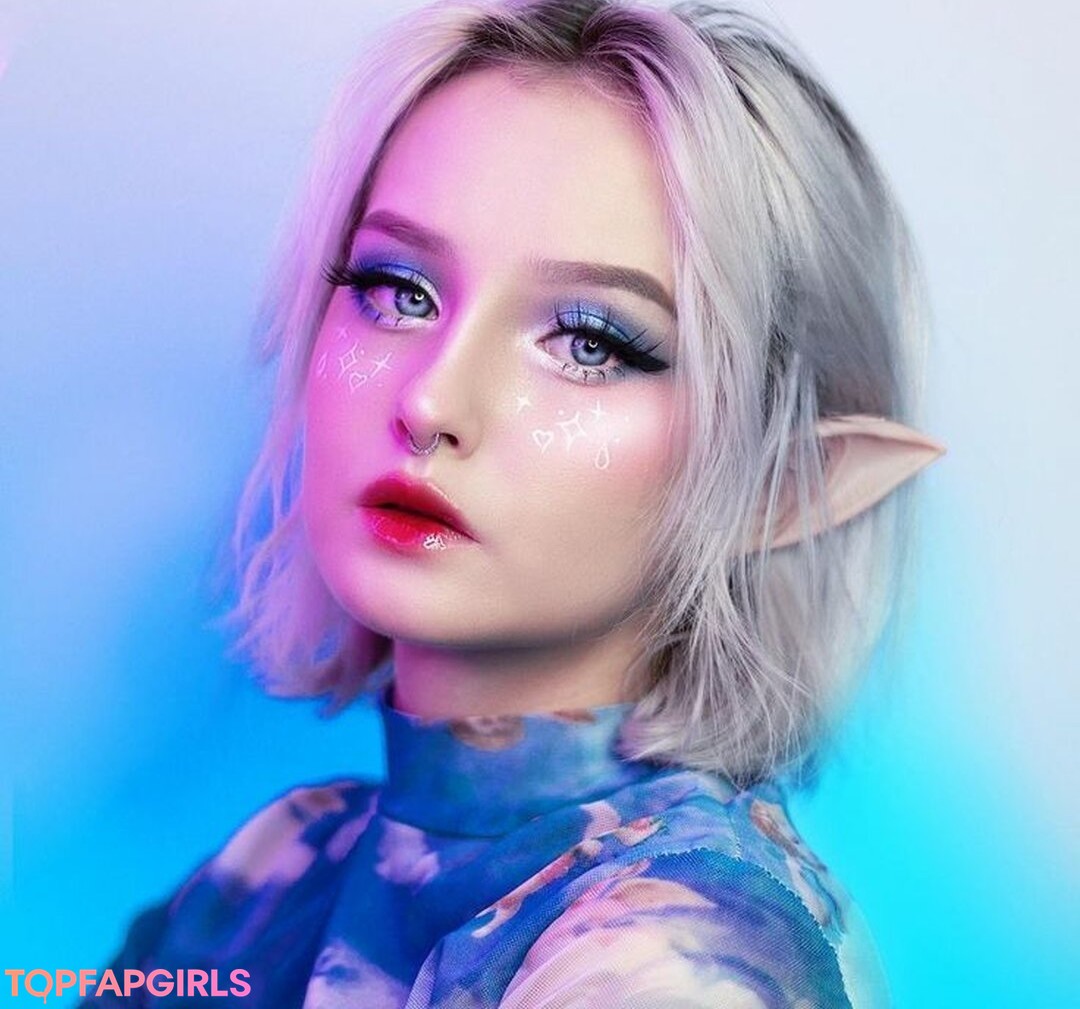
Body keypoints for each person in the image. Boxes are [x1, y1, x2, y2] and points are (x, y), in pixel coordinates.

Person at [80, 0, 945, 1006]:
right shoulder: (279, 862)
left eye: (591, 342)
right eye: (397, 288)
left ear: (783, 486)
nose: (432, 401)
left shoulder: (677, 956)